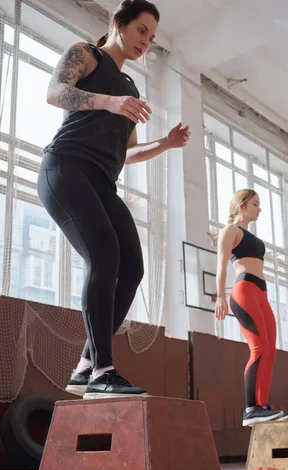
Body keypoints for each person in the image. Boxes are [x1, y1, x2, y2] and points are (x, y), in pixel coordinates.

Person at [37, 0, 190, 399]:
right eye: (141, 30)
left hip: (103, 182)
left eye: (152, 37)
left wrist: (167, 144)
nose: (146, 42)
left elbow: (129, 152)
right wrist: (108, 102)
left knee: (133, 268)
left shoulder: (131, 89)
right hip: (65, 169)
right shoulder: (85, 54)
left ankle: (86, 366)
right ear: (118, 23)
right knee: (103, 257)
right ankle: (104, 370)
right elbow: (55, 93)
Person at [215, 189, 288, 426]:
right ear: (242, 205)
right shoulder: (230, 230)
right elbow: (221, 264)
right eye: (255, 204)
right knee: (258, 349)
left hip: (262, 293)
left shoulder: (251, 236)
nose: (259, 209)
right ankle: (250, 408)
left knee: (271, 351)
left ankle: (262, 406)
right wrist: (220, 296)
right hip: (244, 290)